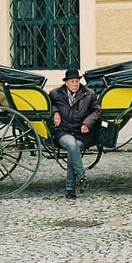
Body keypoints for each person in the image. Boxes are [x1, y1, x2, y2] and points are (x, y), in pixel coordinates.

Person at [50, 68, 102, 200]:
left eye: (77, 81)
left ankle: (70, 189)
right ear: (66, 82)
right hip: (63, 132)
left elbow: (97, 111)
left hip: (81, 133)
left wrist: (87, 123)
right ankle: (81, 177)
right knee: (71, 145)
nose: (75, 84)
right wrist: (55, 112)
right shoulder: (55, 93)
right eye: (72, 81)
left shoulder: (88, 94)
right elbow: (50, 105)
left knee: (73, 150)